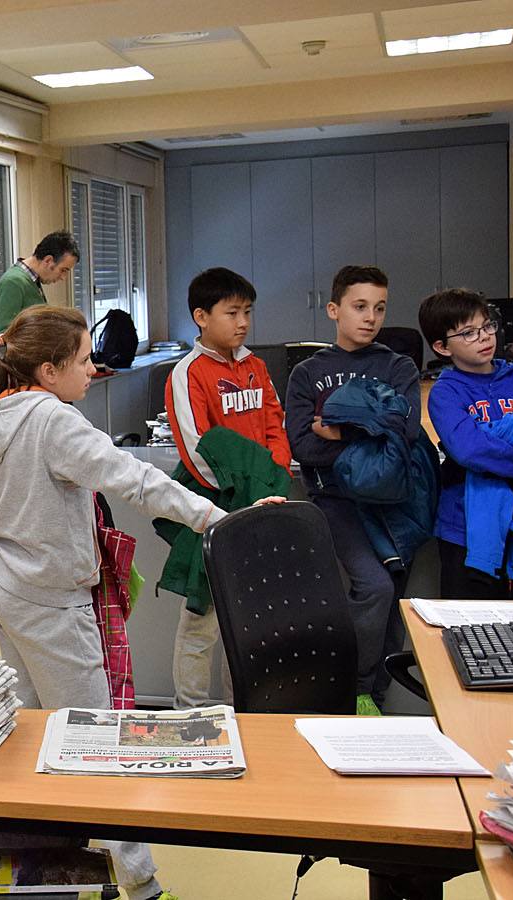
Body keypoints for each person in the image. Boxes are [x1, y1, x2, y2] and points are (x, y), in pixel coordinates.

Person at [0, 305, 278, 900]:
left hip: (4, 588)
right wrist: (219, 519)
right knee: (104, 742)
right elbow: (135, 479)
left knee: (29, 730)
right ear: (48, 371)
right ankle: (143, 883)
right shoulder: (52, 419)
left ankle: (43, 852)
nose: (92, 370)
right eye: (82, 361)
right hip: (50, 602)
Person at [284, 266, 420, 715]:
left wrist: (339, 433)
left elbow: (407, 433)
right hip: (336, 498)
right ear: (333, 309)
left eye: (379, 308)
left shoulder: (397, 365)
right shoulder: (308, 373)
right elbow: (304, 446)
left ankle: (376, 695)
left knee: (395, 593)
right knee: (375, 586)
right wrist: (373, 432)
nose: (371, 318)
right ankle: (357, 689)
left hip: (392, 499)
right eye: (360, 307)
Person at [164, 266, 292, 710]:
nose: (242, 322)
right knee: (203, 621)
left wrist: (272, 482)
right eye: (232, 312)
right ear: (201, 316)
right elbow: (198, 447)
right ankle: (192, 711)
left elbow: (276, 428)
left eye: (248, 312)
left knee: (251, 619)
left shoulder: (256, 366)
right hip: (216, 507)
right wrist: (244, 490)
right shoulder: (189, 372)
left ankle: (246, 709)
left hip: (265, 502)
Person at [420, 288, 513, 599]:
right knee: (468, 629)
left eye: (487, 326)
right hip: (465, 528)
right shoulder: (446, 393)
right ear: (443, 347)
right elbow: (470, 450)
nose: (484, 337)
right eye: (468, 333)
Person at [0, 230, 80, 335]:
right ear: (48, 260)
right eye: (63, 270)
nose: (63, 277)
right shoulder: (14, 282)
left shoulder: (32, 281)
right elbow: (1, 338)